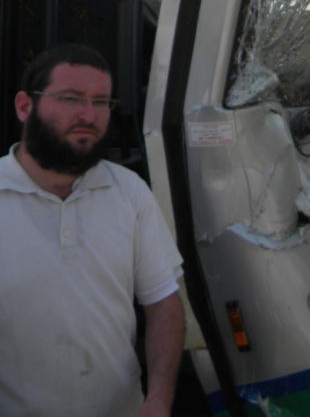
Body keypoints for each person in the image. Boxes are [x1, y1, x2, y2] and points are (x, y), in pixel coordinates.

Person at [0, 43, 185, 416]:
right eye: (71, 98)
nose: (88, 114)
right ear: (24, 106)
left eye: (101, 102)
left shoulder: (128, 191)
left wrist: (159, 400)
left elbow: (163, 303)